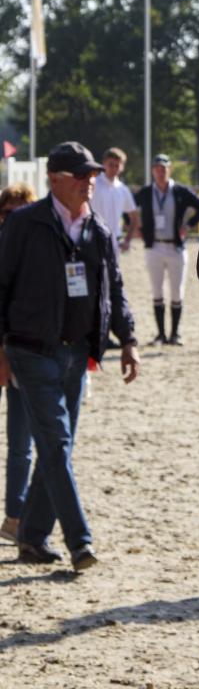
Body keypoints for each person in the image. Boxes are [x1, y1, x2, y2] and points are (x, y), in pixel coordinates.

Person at [0, 141, 140, 570]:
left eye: (93, 174)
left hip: (78, 354)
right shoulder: (23, 225)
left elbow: (113, 289)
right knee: (57, 445)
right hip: (30, 351)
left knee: (57, 446)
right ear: (55, 180)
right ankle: (81, 542)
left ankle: (32, 538)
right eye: (81, 175)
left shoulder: (98, 229)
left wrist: (128, 340)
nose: (90, 181)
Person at [134, 154, 199, 346]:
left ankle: (175, 334)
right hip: (154, 247)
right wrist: (138, 228)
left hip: (175, 247)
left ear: (170, 170)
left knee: (177, 291)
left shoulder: (180, 191)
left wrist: (189, 225)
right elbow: (129, 210)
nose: (160, 172)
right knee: (156, 291)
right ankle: (160, 334)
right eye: (157, 168)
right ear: (153, 171)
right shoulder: (145, 192)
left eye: (164, 168)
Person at [0, 183, 36, 544]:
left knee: (20, 444)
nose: (15, 220)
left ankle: (13, 517)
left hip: (19, 356)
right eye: (9, 213)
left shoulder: (33, 250)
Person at [91, 147, 140, 254]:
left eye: (117, 165)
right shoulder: (93, 184)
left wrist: (127, 240)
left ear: (122, 167)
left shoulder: (122, 189)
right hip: (93, 242)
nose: (114, 169)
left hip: (115, 245)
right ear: (104, 164)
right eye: (111, 165)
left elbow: (134, 216)